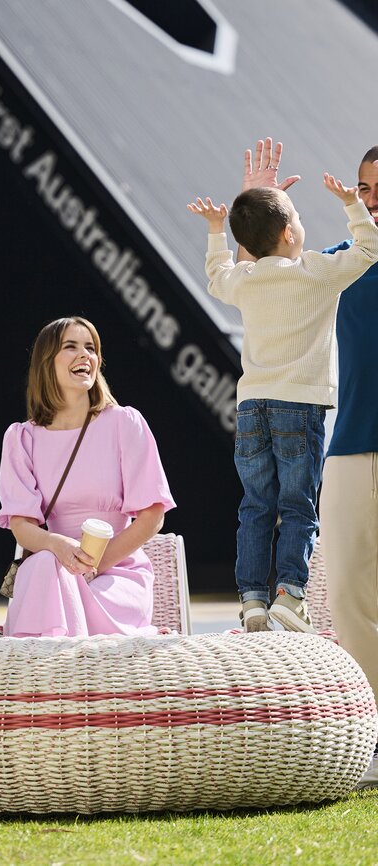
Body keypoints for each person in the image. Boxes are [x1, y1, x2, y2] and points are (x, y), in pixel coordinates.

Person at [187, 147, 378, 634]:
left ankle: (253, 599)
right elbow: (366, 249)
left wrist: (234, 220)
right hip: (321, 419)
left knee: (257, 505)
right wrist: (345, 207)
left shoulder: (262, 276)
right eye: (365, 189)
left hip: (254, 405)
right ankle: (290, 595)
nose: (369, 198)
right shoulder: (319, 270)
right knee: (300, 510)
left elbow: (226, 274)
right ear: (292, 232)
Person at [0, 315, 176, 637]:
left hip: (117, 574)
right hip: (54, 568)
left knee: (49, 580)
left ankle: (43, 668)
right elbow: (22, 527)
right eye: (71, 346)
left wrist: (92, 566)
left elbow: (152, 517)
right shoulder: (21, 438)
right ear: (46, 363)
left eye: (91, 348)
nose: (85, 355)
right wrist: (59, 547)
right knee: (42, 566)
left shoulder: (124, 423)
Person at [318, 146, 378, 788]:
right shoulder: (346, 262)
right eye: (364, 187)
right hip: (352, 447)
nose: (370, 199)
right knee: (348, 600)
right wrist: (254, 210)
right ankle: (372, 737)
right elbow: (271, 270)